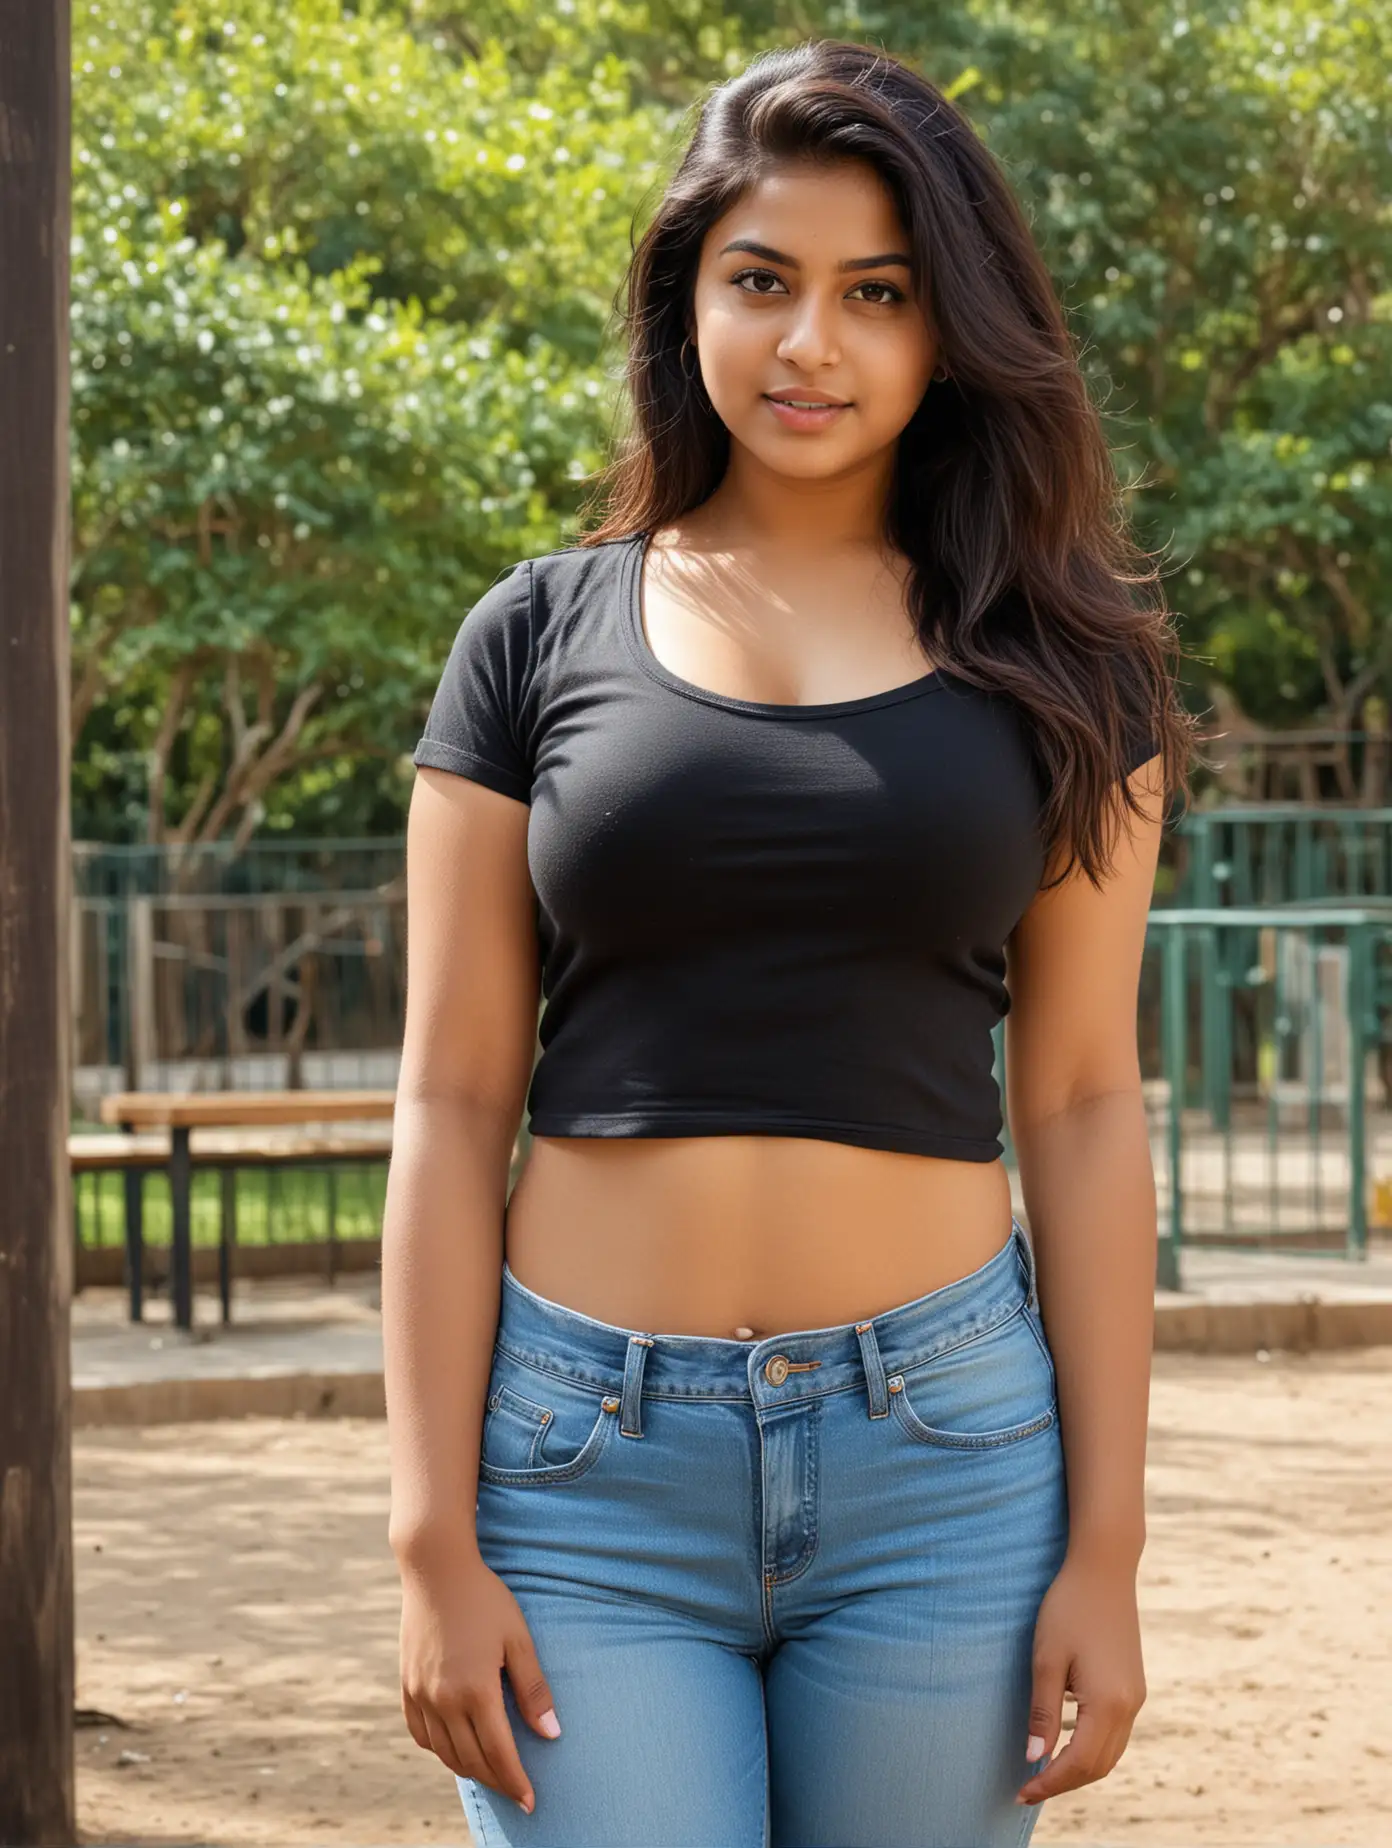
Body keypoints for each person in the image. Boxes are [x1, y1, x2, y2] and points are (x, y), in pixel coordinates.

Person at [384, 36, 1197, 1848]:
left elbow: (1077, 1103)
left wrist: (1110, 1554)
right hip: (582, 1472)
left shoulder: (1078, 673)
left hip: (950, 1470)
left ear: (949, 329)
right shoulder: (531, 637)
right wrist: (430, 1533)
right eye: (761, 282)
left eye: (876, 294)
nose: (809, 343)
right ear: (688, 300)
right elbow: (447, 1099)